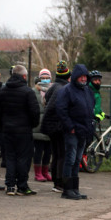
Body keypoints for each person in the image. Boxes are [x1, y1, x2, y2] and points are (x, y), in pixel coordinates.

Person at [0, 65, 40, 196]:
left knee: (9, 157)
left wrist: (3, 125)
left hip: (7, 130)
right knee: (23, 158)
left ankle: (9, 186)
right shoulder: (28, 92)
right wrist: (32, 125)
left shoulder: (2, 91)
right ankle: (22, 186)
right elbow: (34, 112)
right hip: (24, 131)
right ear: (24, 76)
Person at [56, 64, 95, 200]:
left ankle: (74, 188)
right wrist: (70, 127)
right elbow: (61, 110)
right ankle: (67, 189)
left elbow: (91, 108)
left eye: (85, 76)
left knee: (77, 159)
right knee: (70, 159)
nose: (83, 79)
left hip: (83, 131)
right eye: (81, 76)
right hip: (72, 131)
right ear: (76, 77)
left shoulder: (87, 91)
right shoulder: (66, 91)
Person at [41, 60, 71, 192]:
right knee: (62, 154)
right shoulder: (65, 89)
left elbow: (46, 101)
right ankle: (60, 183)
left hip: (50, 126)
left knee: (56, 154)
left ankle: (55, 181)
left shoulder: (53, 87)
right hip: (59, 126)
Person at [32, 69, 52, 182]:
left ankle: (45, 172)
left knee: (48, 151)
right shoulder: (34, 91)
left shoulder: (52, 89)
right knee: (38, 151)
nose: (45, 79)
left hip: (49, 126)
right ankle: (38, 173)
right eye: (43, 77)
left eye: (47, 77)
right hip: (37, 126)